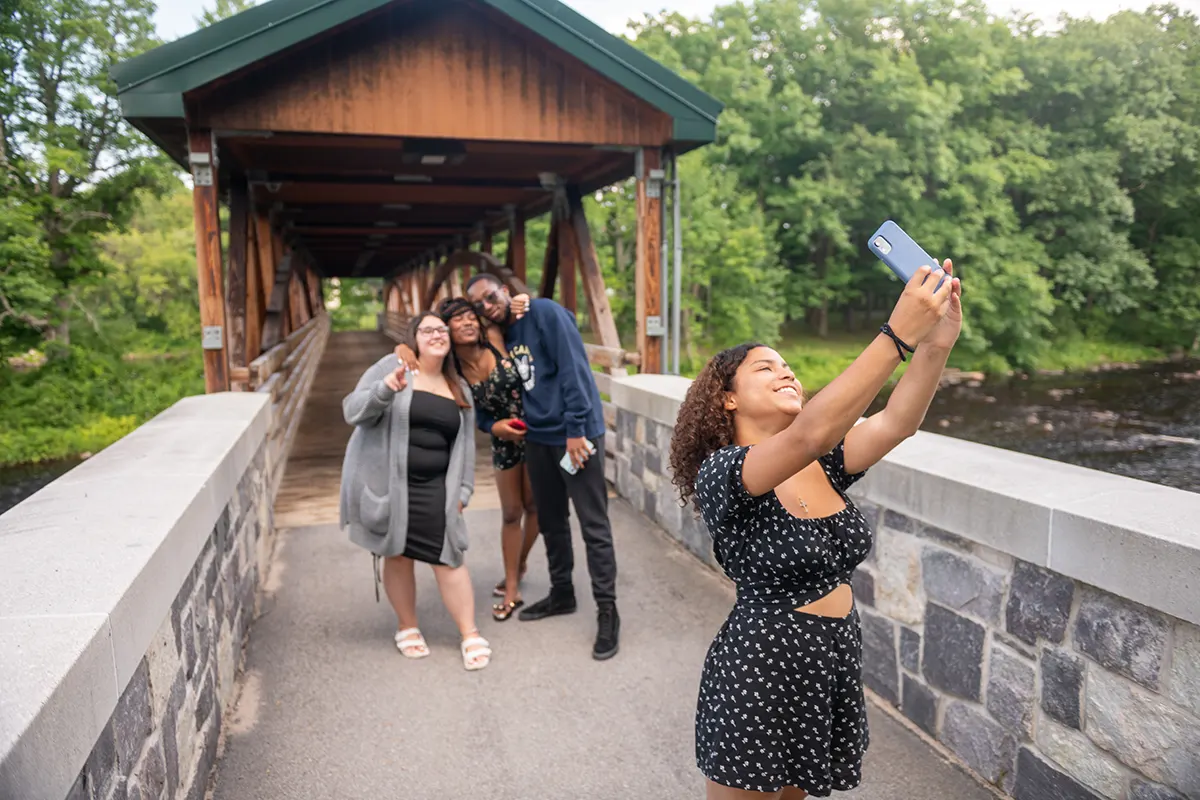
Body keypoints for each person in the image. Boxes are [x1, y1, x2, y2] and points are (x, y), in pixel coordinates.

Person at [668, 263, 962, 799]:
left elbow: (898, 422)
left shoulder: (823, 463)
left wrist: (935, 344)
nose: (787, 373)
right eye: (765, 368)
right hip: (760, 668)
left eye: (789, 367)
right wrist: (897, 335)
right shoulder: (724, 472)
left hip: (827, 658)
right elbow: (810, 432)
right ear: (727, 397)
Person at [465, 274, 620, 661]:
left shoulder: (544, 312)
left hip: (575, 437)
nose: (487, 305)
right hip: (538, 439)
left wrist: (575, 429)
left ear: (505, 289)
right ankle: (562, 593)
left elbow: (573, 370)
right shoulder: (506, 332)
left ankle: (607, 610)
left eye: (490, 296)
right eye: (479, 304)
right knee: (550, 520)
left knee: (593, 523)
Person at [340, 312, 491, 671]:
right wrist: (384, 390)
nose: (436, 334)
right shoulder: (392, 368)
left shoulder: (459, 386)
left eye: (442, 330)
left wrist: (465, 489)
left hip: (437, 488)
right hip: (392, 485)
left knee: (449, 556)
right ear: (414, 338)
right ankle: (407, 627)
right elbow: (353, 411)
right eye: (428, 330)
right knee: (398, 553)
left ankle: (469, 633)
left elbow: (466, 444)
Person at [395, 295, 539, 622]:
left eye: (470, 315)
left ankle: (519, 563)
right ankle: (513, 588)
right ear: (446, 329)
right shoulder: (451, 369)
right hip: (503, 439)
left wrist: (521, 299)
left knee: (536, 508)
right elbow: (466, 412)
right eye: (457, 319)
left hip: (538, 432)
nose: (468, 322)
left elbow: (518, 312)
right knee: (512, 512)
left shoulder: (497, 339)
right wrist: (493, 426)